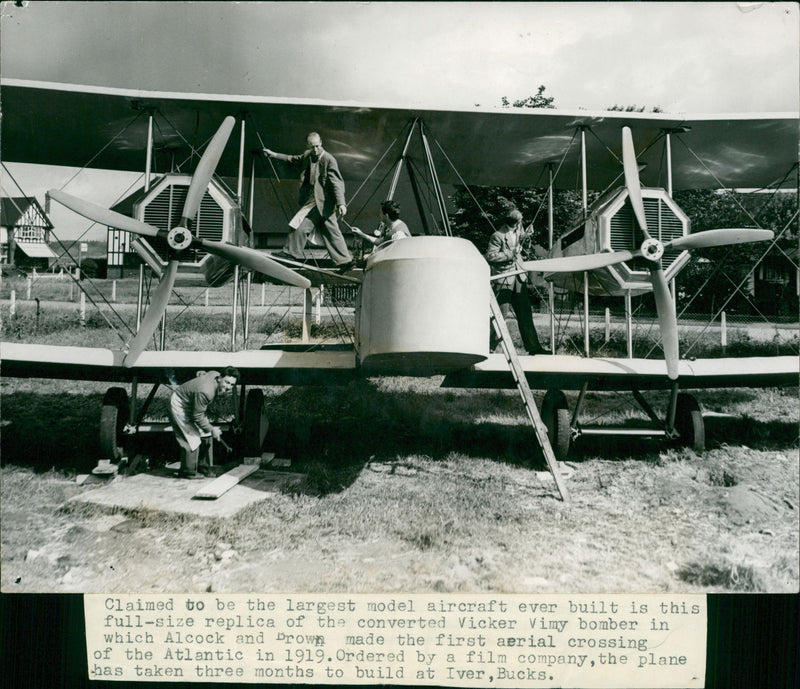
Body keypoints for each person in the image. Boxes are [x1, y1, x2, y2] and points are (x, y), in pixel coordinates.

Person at [263, 132, 354, 271]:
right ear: (308, 146)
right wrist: (273, 154)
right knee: (331, 232)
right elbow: (293, 159)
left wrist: (341, 203)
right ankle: (345, 261)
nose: (316, 150)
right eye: (312, 147)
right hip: (313, 201)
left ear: (321, 142)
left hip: (323, 203)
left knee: (299, 225)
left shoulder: (329, 160)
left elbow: (337, 183)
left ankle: (290, 254)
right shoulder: (308, 155)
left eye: (317, 146)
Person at [485, 208, 549, 355]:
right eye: (520, 222)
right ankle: (489, 348)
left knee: (525, 314)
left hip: (519, 278)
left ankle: (534, 348)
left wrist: (527, 238)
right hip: (504, 280)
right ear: (514, 223)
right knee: (500, 315)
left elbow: (525, 251)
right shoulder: (497, 236)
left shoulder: (519, 231)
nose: (521, 224)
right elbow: (491, 256)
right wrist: (510, 253)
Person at [168, 367, 240, 479]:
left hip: (191, 404)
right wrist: (212, 429)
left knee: (206, 434)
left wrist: (209, 430)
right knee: (192, 437)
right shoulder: (206, 392)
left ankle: (203, 467)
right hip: (179, 403)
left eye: (232, 384)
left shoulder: (215, 374)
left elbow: (204, 374)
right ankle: (188, 472)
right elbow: (197, 416)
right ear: (220, 378)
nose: (228, 387)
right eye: (227, 382)